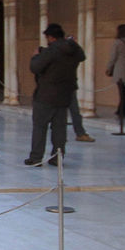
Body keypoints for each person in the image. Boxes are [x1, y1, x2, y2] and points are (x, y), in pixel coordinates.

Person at [24, 23, 84, 167]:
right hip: (65, 94)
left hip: (46, 94)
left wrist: (35, 56)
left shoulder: (51, 51)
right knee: (59, 128)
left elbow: (35, 67)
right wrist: (73, 44)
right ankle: (57, 157)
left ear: (51, 37)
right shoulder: (72, 50)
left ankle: (36, 157)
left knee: (40, 127)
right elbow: (82, 56)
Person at [105, 23, 125, 128]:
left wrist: (108, 68)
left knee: (122, 92)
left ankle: (123, 110)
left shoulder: (118, 42)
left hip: (120, 69)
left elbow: (113, 57)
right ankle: (122, 109)